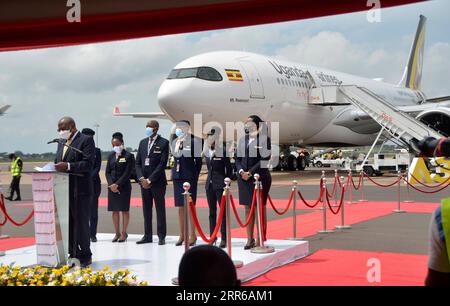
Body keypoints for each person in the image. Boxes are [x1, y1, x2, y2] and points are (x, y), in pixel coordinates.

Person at [54, 117, 95, 267]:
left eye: (62, 128)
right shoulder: (61, 142)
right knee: (69, 223)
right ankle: (73, 253)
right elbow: (57, 160)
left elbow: (88, 163)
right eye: (58, 129)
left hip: (81, 190)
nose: (60, 131)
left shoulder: (85, 140)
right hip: (64, 190)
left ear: (72, 126)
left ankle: (85, 255)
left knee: (81, 223)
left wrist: (69, 166)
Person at [236, 115, 272, 250]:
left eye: (250, 123)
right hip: (243, 179)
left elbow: (264, 159)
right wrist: (241, 172)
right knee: (247, 208)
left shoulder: (264, 140)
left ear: (257, 125)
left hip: (259, 177)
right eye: (246, 123)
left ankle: (260, 238)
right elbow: (237, 159)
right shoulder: (242, 140)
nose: (247, 125)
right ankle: (249, 239)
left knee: (259, 208)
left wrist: (250, 173)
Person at [135, 120, 169, 245]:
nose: (147, 128)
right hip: (144, 182)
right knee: (146, 209)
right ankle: (147, 235)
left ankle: (161, 236)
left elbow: (162, 164)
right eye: (146, 126)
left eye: (150, 126)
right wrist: (142, 178)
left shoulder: (164, 142)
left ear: (156, 128)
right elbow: (138, 163)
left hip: (157, 182)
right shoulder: (142, 143)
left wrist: (150, 179)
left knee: (160, 209)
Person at [171, 120, 202, 246]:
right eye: (177, 127)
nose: (178, 129)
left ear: (187, 128)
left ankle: (192, 235)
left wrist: (194, 175)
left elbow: (198, 161)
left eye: (181, 127)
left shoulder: (194, 142)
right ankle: (182, 235)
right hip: (177, 177)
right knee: (180, 207)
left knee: (190, 207)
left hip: (189, 178)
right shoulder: (174, 142)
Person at [204, 127, 232, 248]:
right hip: (209, 185)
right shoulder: (206, 152)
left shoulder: (222, 151)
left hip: (220, 185)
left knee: (223, 213)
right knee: (211, 212)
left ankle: (224, 238)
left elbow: (229, 169)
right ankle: (212, 236)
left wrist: (227, 182)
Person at [105, 133, 134, 243]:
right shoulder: (111, 156)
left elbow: (127, 173)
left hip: (124, 187)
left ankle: (124, 233)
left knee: (124, 210)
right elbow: (107, 172)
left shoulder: (128, 156)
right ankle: (116, 233)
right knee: (114, 211)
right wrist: (111, 184)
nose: (115, 146)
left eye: (117, 144)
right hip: (112, 187)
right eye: (113, 145)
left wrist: (117, 184)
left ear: (122, 143)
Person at [81, 128, 102, 243]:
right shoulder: (78, 151)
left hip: (94, 184)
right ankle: (83, 234)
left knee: (93, 211)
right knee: (82, 212)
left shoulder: (97, 151)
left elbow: (97, 168)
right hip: (81, 185)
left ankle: (93, 234)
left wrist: (87, 176)